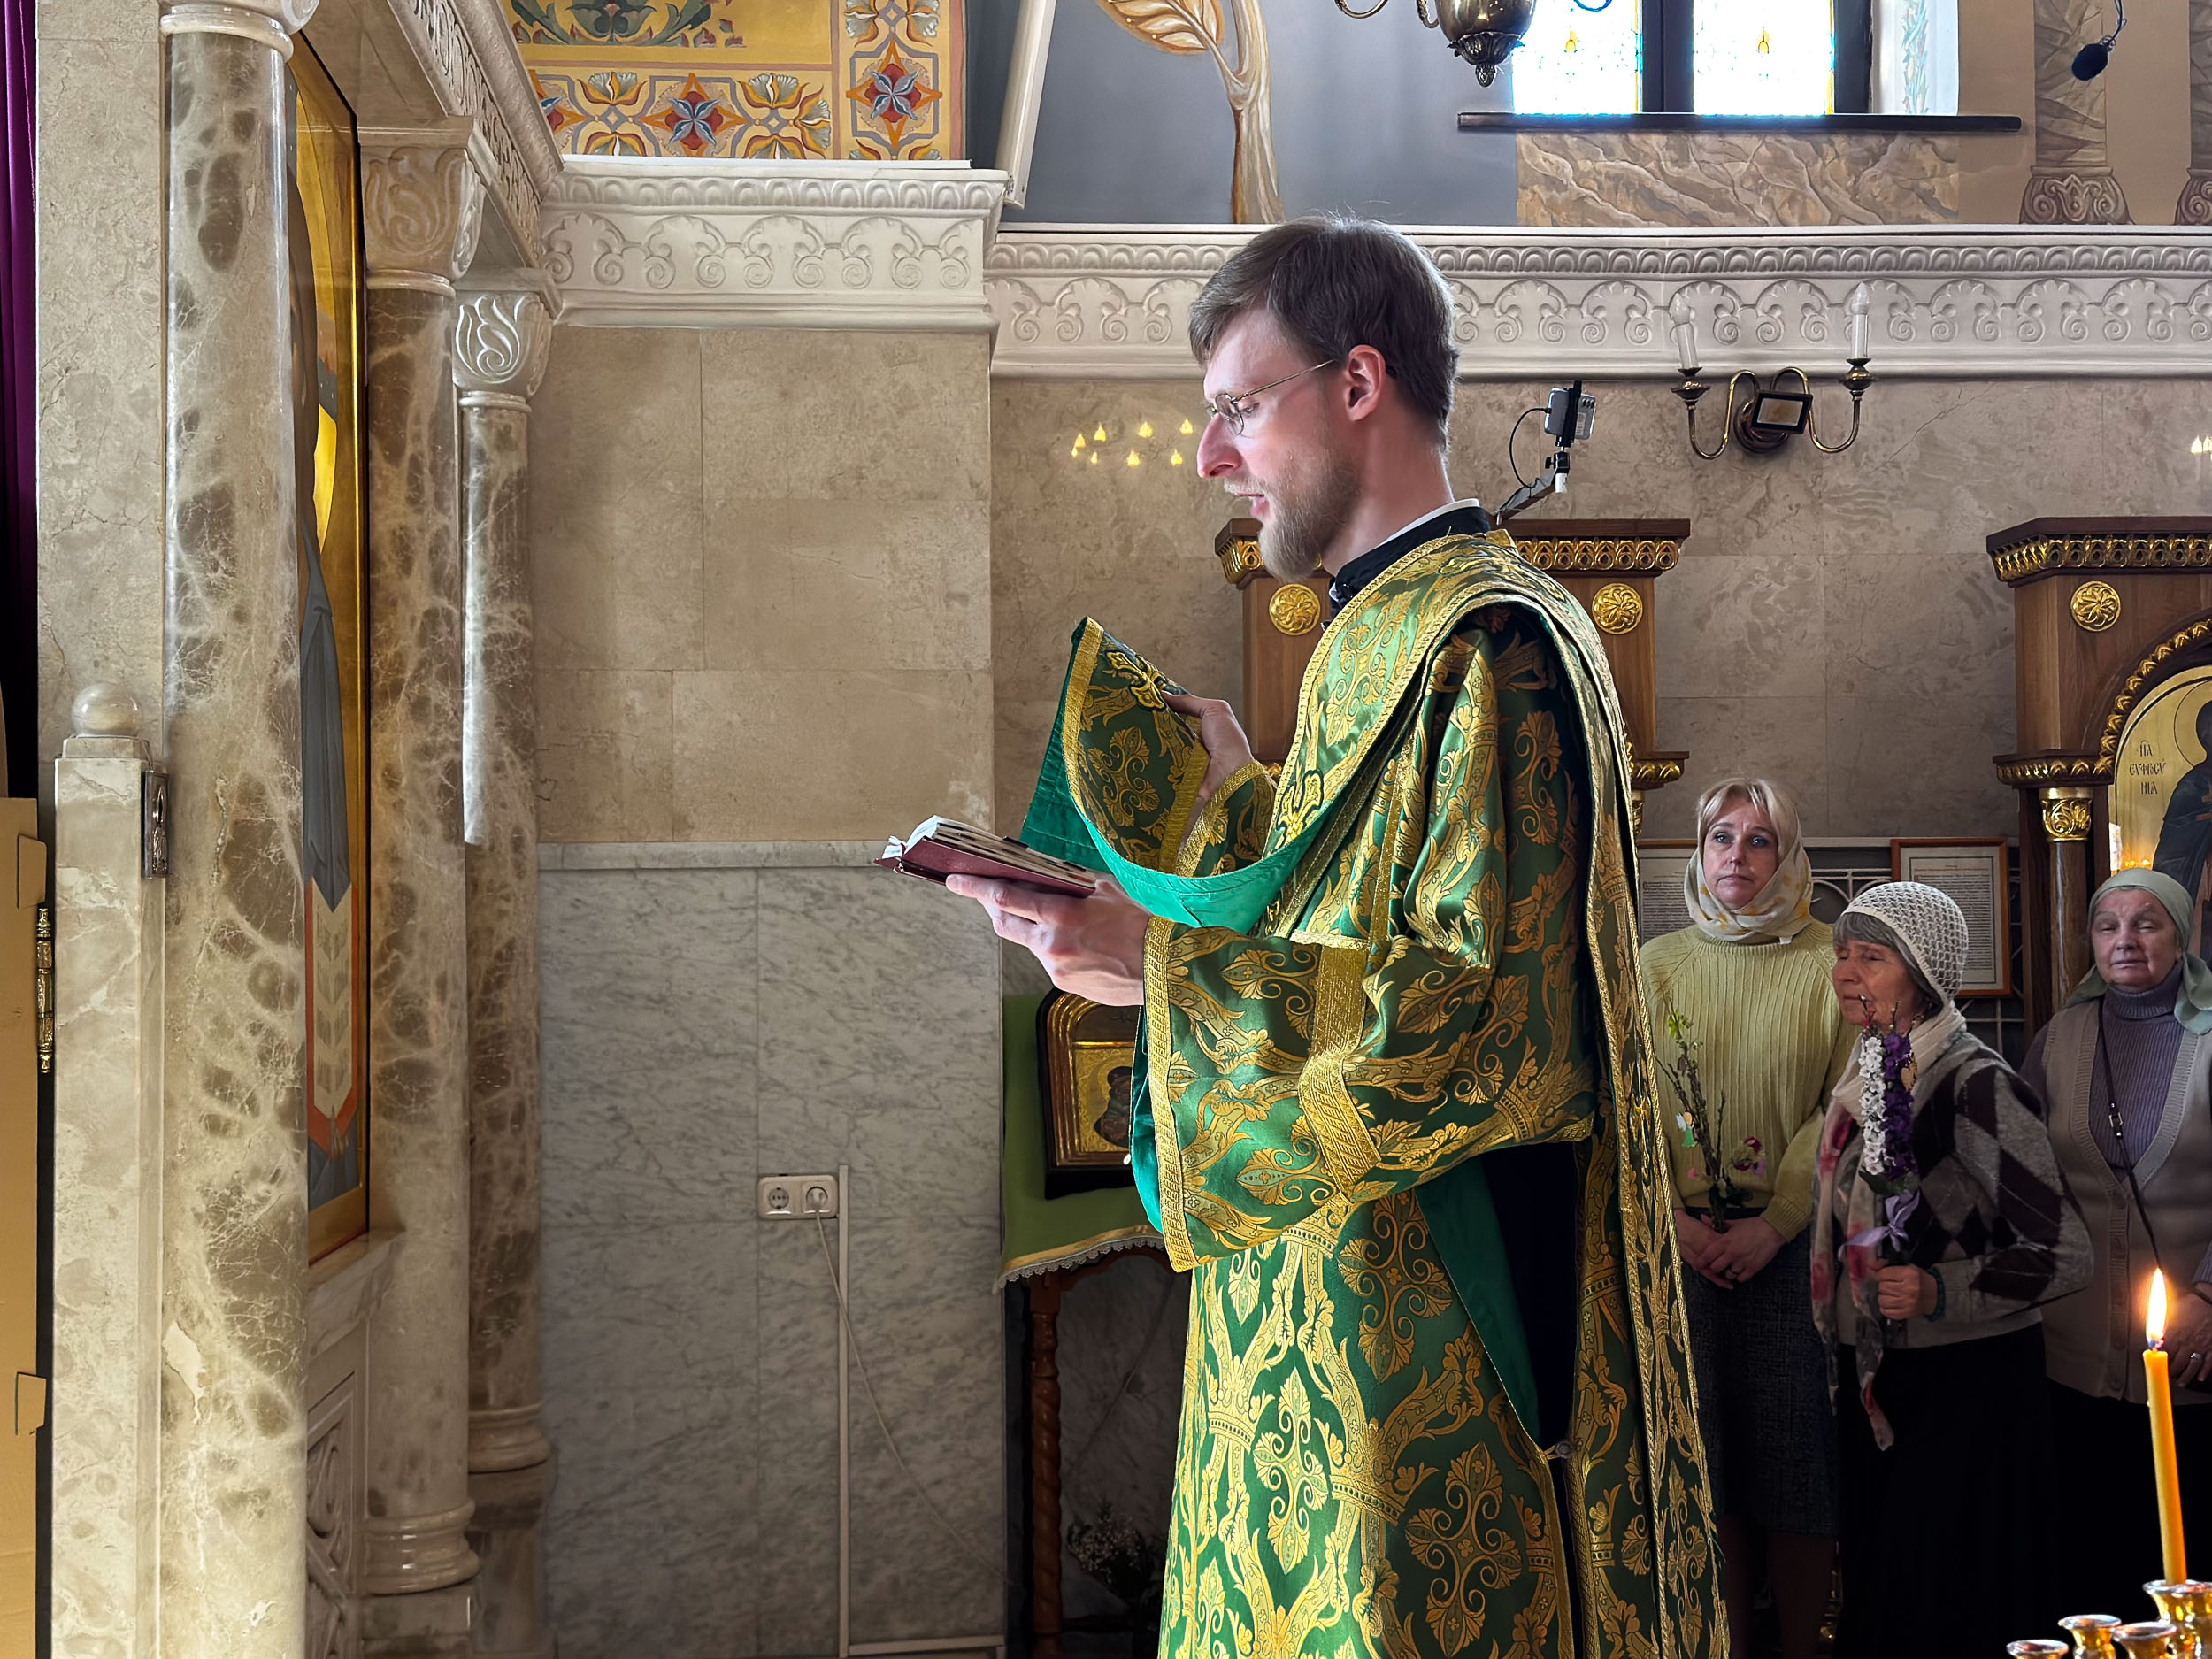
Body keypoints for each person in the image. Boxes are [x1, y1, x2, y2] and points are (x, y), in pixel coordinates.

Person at [949, 215, 1724, 1658]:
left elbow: (1481, 1027)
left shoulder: (1489, 644)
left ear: (1357, 383)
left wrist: (1159, 970)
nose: (1210, 456)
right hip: (1332, 1305)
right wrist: (1247, 804)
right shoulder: (1372, 634)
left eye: (1238, 407)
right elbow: (1364, 915)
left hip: (1441, 1346)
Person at [1811, 882, 2090, 1658]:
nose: (1845, 972)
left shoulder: (1975, 1082)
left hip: (1968, 1391)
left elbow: (2065, 1249)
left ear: (1923, 973)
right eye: (1842, 953)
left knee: (1952, 1604)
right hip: (1888, 1380)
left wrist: (1941, 1289)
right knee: (1892, 1600)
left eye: (1871, 956)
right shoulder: (1875, 1071)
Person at [1641, 777, 1852, 1659]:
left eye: (1759, 839)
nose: (1737, 855)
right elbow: (1634, 1105)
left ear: (1789, 856)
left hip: (1791, 1243)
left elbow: (1840, 1103)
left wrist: (1777, 1222)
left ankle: (1804, 1646)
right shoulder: (1655, 965)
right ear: (1699, 853)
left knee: (1797, 1465)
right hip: (1682, 1247)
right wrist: (1675, 1220)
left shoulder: (1832, 961)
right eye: (1720, 837)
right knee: (1708, 1467)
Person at [2025, 868, 2212, 1620]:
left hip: (2196, 1353)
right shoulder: (2058, 1038)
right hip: (2071, 1355)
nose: (2125, 940)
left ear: (2181, 935)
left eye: (2146, 923)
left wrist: (2210, 1297)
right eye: (2109, 925)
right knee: (2090, 1559)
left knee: (2187, 1556)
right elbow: (2017, 1172)